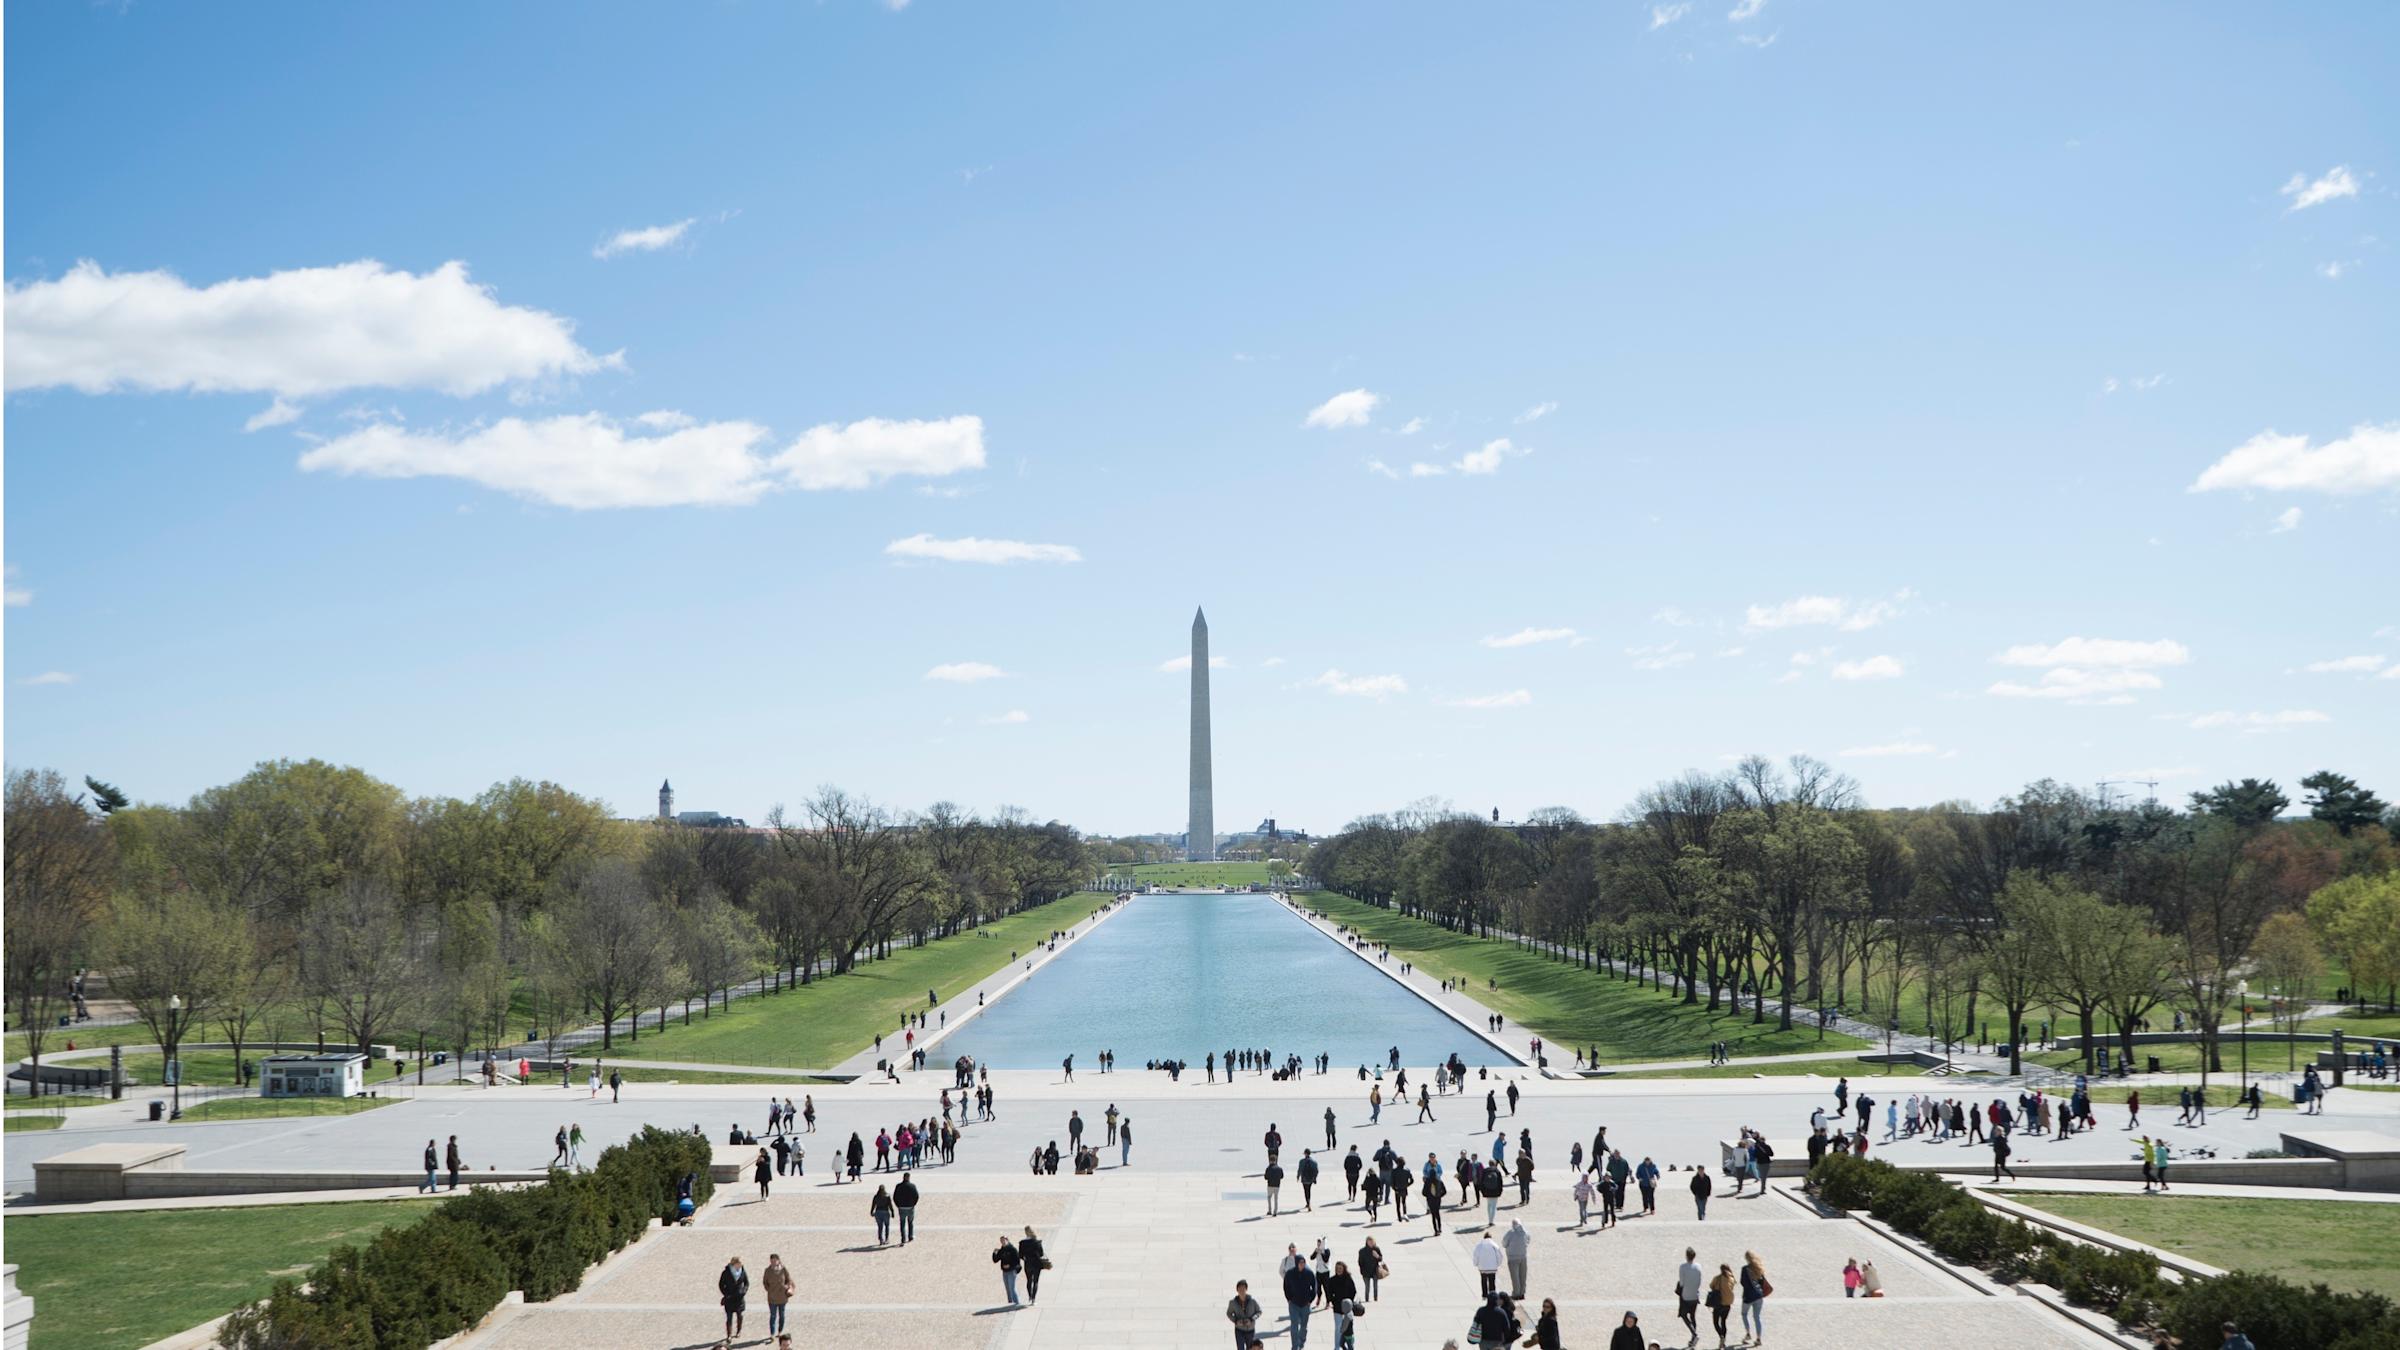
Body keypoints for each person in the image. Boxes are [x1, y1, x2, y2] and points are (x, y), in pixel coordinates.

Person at [1283, 1253, 1319, 1349]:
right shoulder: (1290, 1273)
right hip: (1294, 1304)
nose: (1302, 1264)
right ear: (1296, 1263)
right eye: (1300, 1262)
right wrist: (1289, 1299)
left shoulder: (1309, 1273)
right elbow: (1286, 1287)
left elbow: (1314, 1287)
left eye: (1303, 1262)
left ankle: (1301, 1342)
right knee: (1294, 1326)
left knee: (1303, 1327)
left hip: (1305, 1305)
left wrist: (1310, 1300)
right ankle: (1294, 1346)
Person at [1738, 1251, 1770, 1347]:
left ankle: (1748, 1333)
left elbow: (1742, 1282)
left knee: (1744, 1314)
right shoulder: (1758, 1268)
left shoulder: (1745, 1269)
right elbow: (1762, 1281)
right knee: (1757, 1317)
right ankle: (1759, 1338)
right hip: (1759, 1296)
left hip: (1748, 1296)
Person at [1325, 1260, 1359, 1348]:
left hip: (1347, 1308)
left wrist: (1349, 1302)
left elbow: (1353, 1291)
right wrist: (1332, 1301)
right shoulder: (1332, 1280)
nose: (1339, 1270)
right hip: (1337, 1307)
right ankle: (1337, 1347)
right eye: (1337, 1269)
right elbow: (1329, 1292)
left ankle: (1350, 1345)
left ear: (1344, 1269)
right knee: (1338, 1327)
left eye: (1340, 1268)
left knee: (1348, 1328)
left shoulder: (1348, 1279)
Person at [718, 1256, 749, 1345]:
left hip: (739, 1299)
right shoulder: (726, 1272)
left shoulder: (742, 1271)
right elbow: (721, 1284)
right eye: (739, 1264)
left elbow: (746, 1283)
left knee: (740, 1316)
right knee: (729, 1318)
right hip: (730, 1299)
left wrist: (744, 1291)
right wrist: (725, 1293)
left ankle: (738, 1331)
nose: (740, 1265)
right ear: (734, 1264)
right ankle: (729, 1335)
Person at [1677, 1248, 1705, 1348]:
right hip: (1695, 1295)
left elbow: (1681, 1283)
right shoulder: (1698, 1266)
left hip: (1686, 1296)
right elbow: (1700, 1280)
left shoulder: (1683, 1267)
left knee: (1684, 1315)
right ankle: (1693, 1340)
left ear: (1686, 1256)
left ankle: (1694, 1334)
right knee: (1693, 1316)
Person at [761, 1253, 794, 1338]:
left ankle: (780, 1331)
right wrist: (769, 1289)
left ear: (778, 1260)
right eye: (772, 1260)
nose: (773, 1262)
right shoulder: (767, 1270)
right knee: (773, 1316)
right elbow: (765, 1282)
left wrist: (785, 1287)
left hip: (782, 1296)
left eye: (775, 1260)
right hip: (772, 1297)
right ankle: (772, 1333)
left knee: (782, 1315)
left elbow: (789, 1280)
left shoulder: (783, 1269)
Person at [1706, 1263, 1736, 1350]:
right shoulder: (1732, 1278)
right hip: (1728, 1304)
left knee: (1715, 1322)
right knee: (1723, 1321)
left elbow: (1711, 1286)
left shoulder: (1718, 1278)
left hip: (1719, 1303)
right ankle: (1724, 1341)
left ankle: (1721, 1336)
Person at [1227, 1280, 1263, 1350]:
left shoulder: (1252, 1301)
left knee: (1250, 1348)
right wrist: (1236, 1321)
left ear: (1246, 1289)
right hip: (1239, 1330)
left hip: (1250, 1330)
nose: (1242, 1291)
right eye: (1240, 1289)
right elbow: (1229, 1313)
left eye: (1243, 1289)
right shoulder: (1233, 1303)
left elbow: (1259, 1312)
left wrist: (1251, 1319)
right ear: (1237, 1290)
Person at [992, 1232, 1024, 1306]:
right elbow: (995, 1260)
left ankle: (1016, 1303)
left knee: (1012, 1288)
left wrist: (1009, 1266)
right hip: (1005, 1272)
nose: (1002, 1242)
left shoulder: (1012, 1249)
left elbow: (1017, 1261)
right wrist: (994, 1253)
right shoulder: (1002, 1250)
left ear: (1007, 1240)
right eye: (1001, 1241)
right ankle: (1010, 1303)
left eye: (1004, 1240)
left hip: (1012, 1271)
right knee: (1008, 1289)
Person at [1502, 1219, 1530, 1300]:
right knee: (1523, 1276)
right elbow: (1528, 1240)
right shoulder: (1525, 1232)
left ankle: (1516, 1293)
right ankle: (1522, 1293)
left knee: (1515, 1277)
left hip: (1513, 1258)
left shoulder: (1510, 1233)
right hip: (1523, 1257)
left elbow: (1504, 1243)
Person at [1473, 1229, 1503, 1297]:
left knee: (1483, 1281)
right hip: (1492, 1267)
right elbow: (1499, 1256)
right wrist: (1497, 1264)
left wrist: (1476, 1264)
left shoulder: (1479, 1245)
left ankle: (1484, 1294)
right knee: (1492, 1281)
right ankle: (1492, 1295)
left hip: (1483, 1267)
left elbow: (1476, 1256)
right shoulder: (1494, 1245)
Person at [1019, 1227, 1046, 1304]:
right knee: (1035, 1281)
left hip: (1028, 1264)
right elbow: (1041, 1253)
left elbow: (1020, 1255)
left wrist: (1025, 1258)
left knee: (1029, 1280)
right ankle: (1033, 1299)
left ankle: (1030, 1297)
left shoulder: (1022, 1243)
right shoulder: (1037, 1242)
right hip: (1037, 1264)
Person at [894, 1171, 920, 1243]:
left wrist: (898, 1205)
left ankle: (903, 1238)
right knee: (910, 1222)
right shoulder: (912, 1186)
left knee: (902, 1223)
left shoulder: (898, 1186)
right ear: (909, 1178)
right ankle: (910, 1236)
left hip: (901, 1207)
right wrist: (913, 1204)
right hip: (910, 1207)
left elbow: (895, 1197)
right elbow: (916, 1196)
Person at [1358, 1236, 1384, 1301]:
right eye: (1370, 1242)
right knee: (1367, 1287)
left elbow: (1380, 1259)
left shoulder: (1377, 1249)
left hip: (1375, 1271)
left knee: (1375, 1286)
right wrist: (1362, 1271)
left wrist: (1377, 1256)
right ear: (1367, 1242)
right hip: (1366, 1272)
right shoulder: (1362, 1251)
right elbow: (1360, 1262)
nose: (1371, 1243)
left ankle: (1375, 1298)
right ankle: (1367, 1299)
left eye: (1372, 1242)